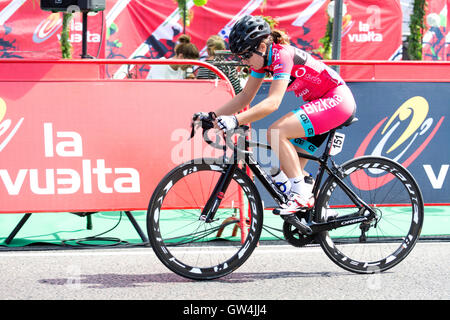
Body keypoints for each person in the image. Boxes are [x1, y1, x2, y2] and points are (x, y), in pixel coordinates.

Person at [192, 15, 356, 234]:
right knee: (283, 173)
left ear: (261, 46)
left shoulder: (281, 54)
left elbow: (273, 103)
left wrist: (235, 120)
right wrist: (212, 117)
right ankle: (320, 213)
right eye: (240, 56)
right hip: (321, 103)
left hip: (336, 100)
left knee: (276, 132)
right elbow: (245, 97)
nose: (243, 61)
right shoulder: (263, 60)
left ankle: (302, 197)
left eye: (246, 55)